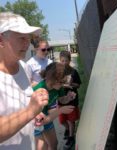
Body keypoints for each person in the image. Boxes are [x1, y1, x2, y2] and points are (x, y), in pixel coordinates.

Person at [0, 12, 49, 150]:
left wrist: (35, 112)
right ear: (1, 40)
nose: (27, 43)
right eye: (21, 38)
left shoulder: (24, 67)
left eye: (28, 38)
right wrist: (29, 111)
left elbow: (24, 109)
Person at [33, 62, 75, 150]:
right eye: (61, 82)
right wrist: (60, 111)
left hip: (47, 118)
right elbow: (41, 121)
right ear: (52, 79)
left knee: (54, 144)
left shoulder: (58, 87)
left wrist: (68, 97)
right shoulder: (39, 91)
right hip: (34, 123)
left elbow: (61, 99)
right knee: (42, 147)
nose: (62, 84)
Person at [58, 50, 81, 148]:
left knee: (71, 120)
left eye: (66, 60)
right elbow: (56, 83)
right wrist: (61, 84)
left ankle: (71, 137)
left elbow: (78, 85)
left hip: (72, 99)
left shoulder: (73, 72)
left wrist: (71, 84)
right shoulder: (58, 72)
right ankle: (67, 130)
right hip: (62, 99)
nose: (64, 63)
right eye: (62, 61)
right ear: (60, 60)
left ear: (70, 60)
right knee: (62, 120)